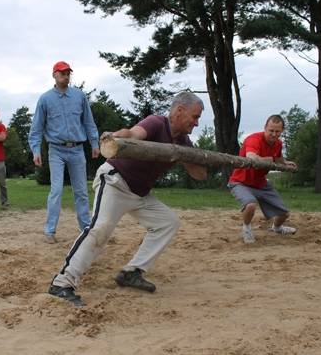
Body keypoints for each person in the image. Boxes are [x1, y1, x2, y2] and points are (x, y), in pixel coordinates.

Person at [48, 91, 207, 306]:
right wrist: (115, 137)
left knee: (168, 223)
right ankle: (62, 283)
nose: (196, 123)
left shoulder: (184, 142)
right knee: (100, 228)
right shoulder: (156, 122)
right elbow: (133, 134)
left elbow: (200, 175)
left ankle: (132, 272)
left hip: (139, 194)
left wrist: (187, 157)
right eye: (195, 117)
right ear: (180, 111)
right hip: (116, 182)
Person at [28, 61, 100, 244]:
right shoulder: (45, 99)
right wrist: (35, 150)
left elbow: (89, 122)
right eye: (62, 73)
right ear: (54, 75)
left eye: (68, 73)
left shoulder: (79, 96)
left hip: (77, 149)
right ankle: (49, 231)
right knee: (56, 190)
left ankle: (85, 228)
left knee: (82, 191)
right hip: (56, 150)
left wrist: (94, 143)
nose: (65, 76)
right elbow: (36, 128)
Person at [228, 114, 297, 244]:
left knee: (284, 214)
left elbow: (278, 158)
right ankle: (246, 229)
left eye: (277, 131)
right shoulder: (254, 139)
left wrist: (285, 163)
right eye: (271, 130)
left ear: (282, 131)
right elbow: (251, 157)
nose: (274, 134)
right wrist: (269, 160)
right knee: (251, 205)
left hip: (261, 184)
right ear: (265, 128)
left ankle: (277, 228)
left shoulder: (278, 144)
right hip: (240, 182)